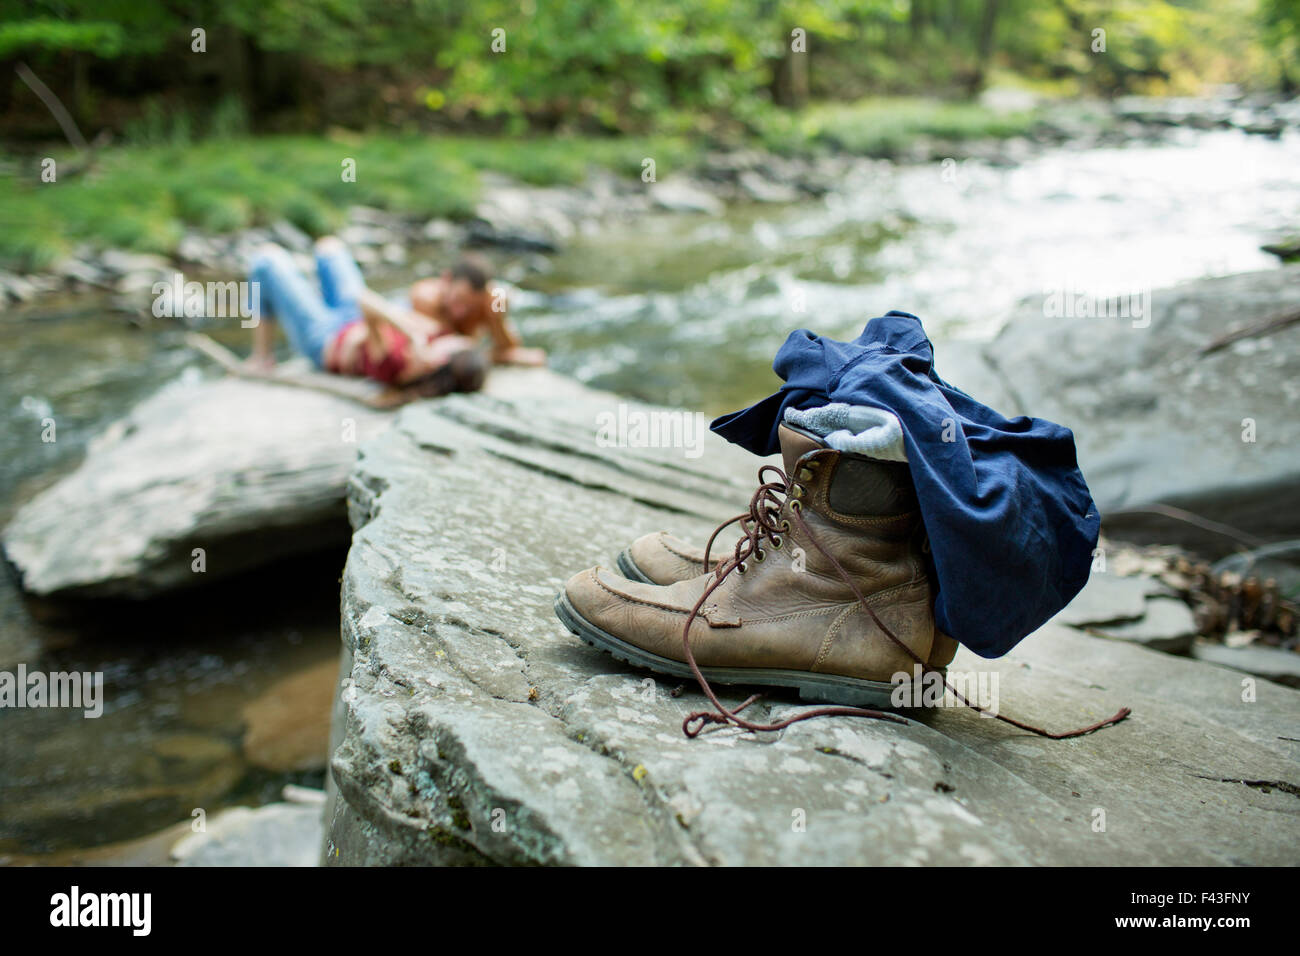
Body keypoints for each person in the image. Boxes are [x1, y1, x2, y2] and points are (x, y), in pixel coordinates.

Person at [245, 238, 542, 399]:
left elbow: (364, 300)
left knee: (266, 260)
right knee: (329, 248)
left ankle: (261, 358)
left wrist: (409, 331)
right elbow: (496, 352)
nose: (453, 340)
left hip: (324, 338)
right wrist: (501, 320)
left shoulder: (397, 364)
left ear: (441, 361)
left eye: (452, 346)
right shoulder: (442, 343)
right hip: (353, 319)